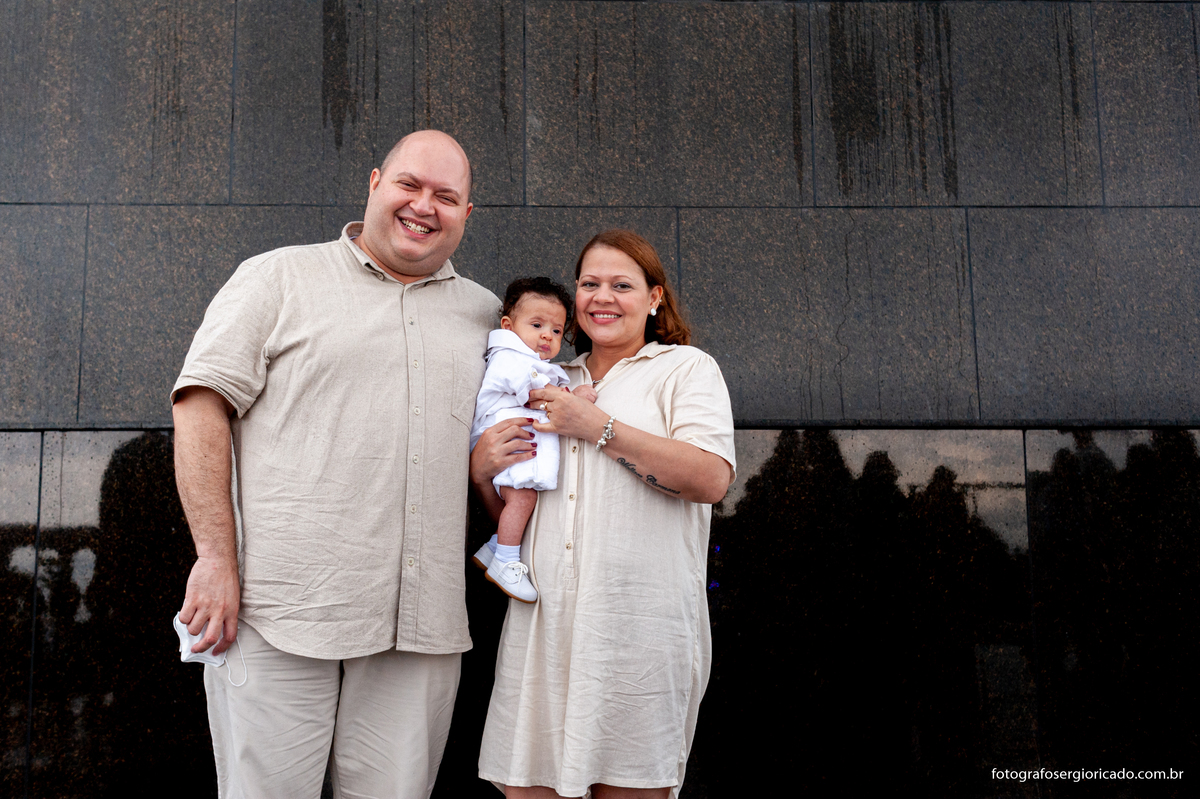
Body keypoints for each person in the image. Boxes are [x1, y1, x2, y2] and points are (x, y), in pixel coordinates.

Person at [171, 130, 498, 798]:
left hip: (420, 629)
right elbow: (200, 406)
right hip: (278, 611)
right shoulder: (277, 277)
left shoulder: (490, 316)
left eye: (446, 195)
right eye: (409, 184)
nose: (424, 205)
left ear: (468, 213)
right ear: (375, 183)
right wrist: (214, 556)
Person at [471, 229, 737, 798]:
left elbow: (711, 479)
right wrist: (481, 470)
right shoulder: (548, 379)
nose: (602, 297)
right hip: (545, 630)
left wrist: (598, 427)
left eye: (622, 284)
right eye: (590, 284)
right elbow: (515, 503)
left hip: (637, 636)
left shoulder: (684, 369)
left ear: (654, 298)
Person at [469, 277, 598, 603]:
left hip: (514, 443)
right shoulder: (510, 358)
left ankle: (496, 547)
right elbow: (534, 397)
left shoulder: (524, 360)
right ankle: (506, 561)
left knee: (522, 502)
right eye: (537, 324)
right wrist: (575, 398)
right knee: (522, 501)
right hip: (506, 445)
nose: (547, 335)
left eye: (556, 331)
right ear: (508, 326)